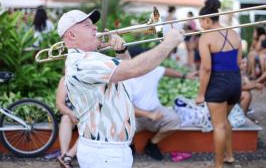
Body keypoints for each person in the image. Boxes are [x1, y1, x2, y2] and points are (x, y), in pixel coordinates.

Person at [57, 9, 184, 168]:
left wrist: (121, 51)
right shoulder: (83, 62)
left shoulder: (91, 59)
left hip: (110, 152)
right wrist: (168, 43)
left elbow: (128, 74)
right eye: (87, 25)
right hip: (105, 154)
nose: (95, 28)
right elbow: (135, 69)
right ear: (72, 35)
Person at [195, 0, 242, 168]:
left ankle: (218, 165)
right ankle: (229, 157)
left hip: (218, 84)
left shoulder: (205, 37)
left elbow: (206, 68)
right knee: (224, 120)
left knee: (219, 125)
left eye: (201, 20)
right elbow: (238, 63)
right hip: (235, 82)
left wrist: (201, 94)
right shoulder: (234, 34)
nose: (200, 24)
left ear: (207, 19)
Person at [123, 66, 196, 161]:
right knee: (119, 122)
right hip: (133, 117)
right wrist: (149, 115)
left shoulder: (151, 70)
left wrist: (185, 76)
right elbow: (125, 106)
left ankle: (152, 145)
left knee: (174, 120)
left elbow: (165, 71)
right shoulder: (124, 79)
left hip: (155, 110)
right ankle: (130, 147)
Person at [55, 76, 78, 168]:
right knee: (65, 118)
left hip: (88, 117)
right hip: (71, 114)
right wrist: (71, 113)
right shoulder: (65, 79)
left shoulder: (91, 77)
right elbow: (59, 104)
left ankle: (68, 156)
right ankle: (64, 155)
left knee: (92, 128)